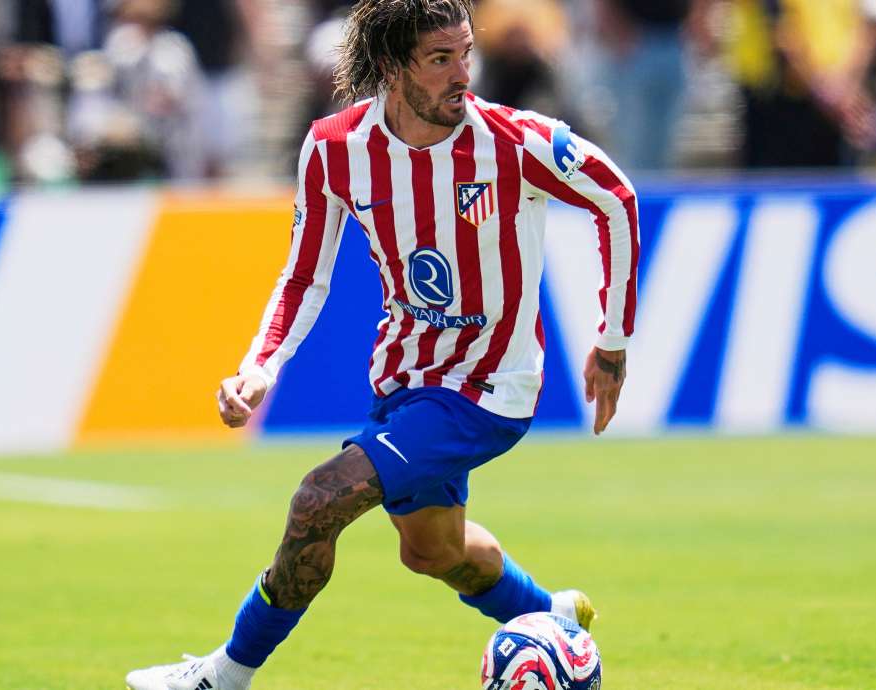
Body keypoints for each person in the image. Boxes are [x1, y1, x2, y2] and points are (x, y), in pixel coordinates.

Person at [124, 1, 638, 688]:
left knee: (319, 500)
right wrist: (259, 367)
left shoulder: (515, 142)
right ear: (393, 67)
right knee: (431, 551)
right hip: (404, 382)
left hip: (488, 388)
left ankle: (224, 675)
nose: (464, 74)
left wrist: (611, 342)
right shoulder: (336, 150)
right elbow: (305, 274)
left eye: (466, 53)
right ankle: (551, 615)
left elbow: (617, 197)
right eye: (440, 59)